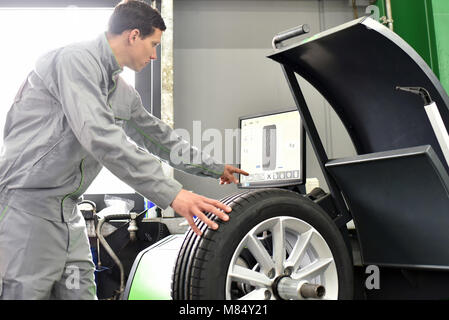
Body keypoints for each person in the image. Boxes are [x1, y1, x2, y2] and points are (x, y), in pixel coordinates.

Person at [0, 0, 248, 300]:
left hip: (69, 215)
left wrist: (213, 167)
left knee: (81, 294)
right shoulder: (73, 61)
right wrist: (172, 193)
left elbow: (159, 138)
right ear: (133, 36)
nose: (155, 55)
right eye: (153, 44)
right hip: (27, 210)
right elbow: (100, 135)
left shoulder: (122, 92)